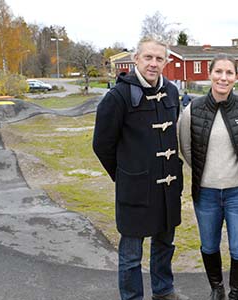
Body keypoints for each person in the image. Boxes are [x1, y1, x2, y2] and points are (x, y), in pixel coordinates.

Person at [93, 36, 188, 300]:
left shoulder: (170, 91)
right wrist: (125, 175)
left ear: (166, 61)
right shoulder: (118, 96)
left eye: (159, 58)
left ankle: (163, 290)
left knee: (164, 244)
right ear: (136, 59)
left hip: (167, 186)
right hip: (135, 189)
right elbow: (102, 144)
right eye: (148, 57)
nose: (153, 63)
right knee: (131, 254)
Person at [179, 53, 238, 300]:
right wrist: (209, 173)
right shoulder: (193, 109)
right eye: (219, 72)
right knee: (209, 246)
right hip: (207, 194)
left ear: (236, 77)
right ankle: (217, 288)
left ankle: (236, 294)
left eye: (229, 73)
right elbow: (186, 148)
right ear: (210, 74)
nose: (223, 78)